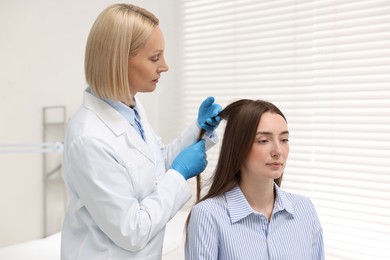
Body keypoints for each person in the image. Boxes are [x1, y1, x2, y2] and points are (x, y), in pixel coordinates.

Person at [60, 3, 221, 260]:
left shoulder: (130, 107)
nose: (165, 66)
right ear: (118, 60)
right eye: (155, 57)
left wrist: (197, 130)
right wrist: (180, 174)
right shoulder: (88, 138)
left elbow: (152, 170)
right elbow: (132, 230)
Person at [185, 99, 324, 260]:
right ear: (238, 146)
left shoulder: (304, 209)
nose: (278, 151)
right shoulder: (208, 215)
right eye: (263, 141)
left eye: (284, 140)